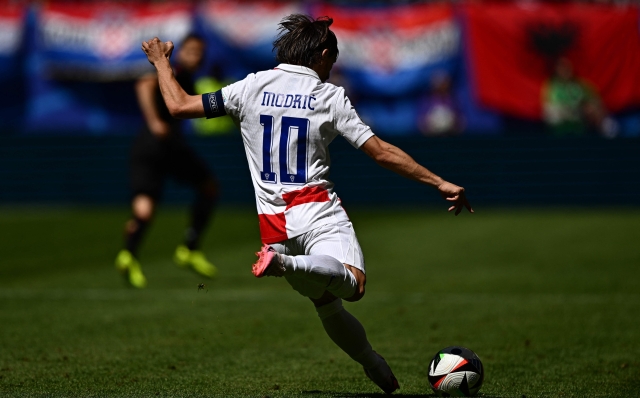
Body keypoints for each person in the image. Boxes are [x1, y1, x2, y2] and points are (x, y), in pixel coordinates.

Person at [141, 15, 472, 394]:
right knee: (355, 285)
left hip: (274, 226)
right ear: (324, 54)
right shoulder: (329, 96)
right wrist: (439, 181)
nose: (332, 68)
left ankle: (373, 363)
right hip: (316, 212)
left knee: (327, 304)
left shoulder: (251, 86)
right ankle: (286, 264)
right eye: (333, 60)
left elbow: (180, 105)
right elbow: (380, 152)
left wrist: (161, 62)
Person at [115, 34, 219, 289]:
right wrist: (154, 122)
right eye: (192, 51)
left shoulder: (186, 75)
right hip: (158, 144)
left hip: (159, 146)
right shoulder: (175, 70)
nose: (196, 57)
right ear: (181, 52)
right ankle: (187, 248)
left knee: (146, 208)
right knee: (207, 187)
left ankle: (129, 254)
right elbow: (143, 85)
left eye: (200, 52)